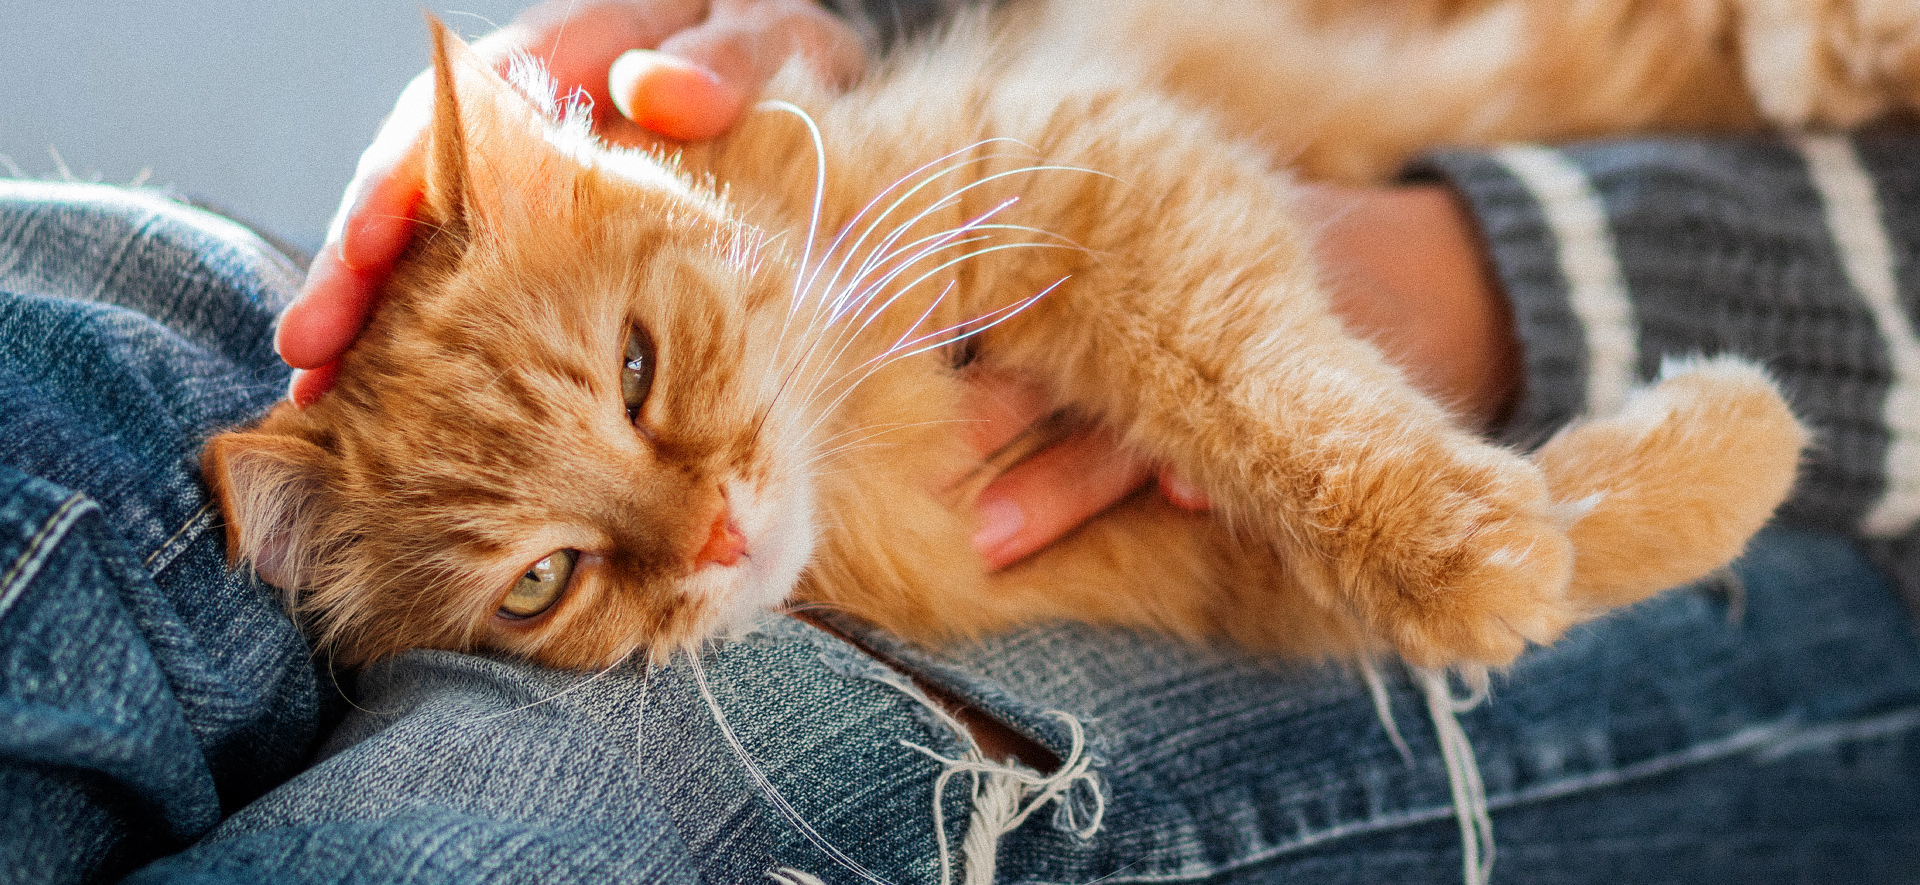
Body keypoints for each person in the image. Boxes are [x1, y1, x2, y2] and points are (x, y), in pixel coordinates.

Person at [3, 1, 1919, 882]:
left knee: (584, 811)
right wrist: (800, 25)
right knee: (95, 318)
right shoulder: (709, 314)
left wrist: (1495, 282)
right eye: (559, 569)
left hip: (1837, 463)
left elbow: (1077, 168)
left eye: (651, 403)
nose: (707, 531)